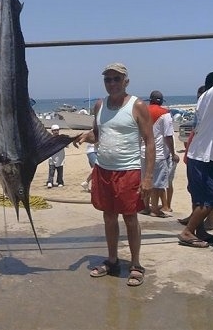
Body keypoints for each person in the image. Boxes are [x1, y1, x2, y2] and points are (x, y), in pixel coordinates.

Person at [74, 63, 155, 286]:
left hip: (129, 171)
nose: (111, 83)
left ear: (125, 81)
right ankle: (112, 260)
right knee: (108, 216)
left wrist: (147, 178)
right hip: (103, 169)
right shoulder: (99, 105)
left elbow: (150, 143)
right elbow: (98, 135)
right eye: (108, 79)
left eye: (116, 79)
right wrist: (84, 136)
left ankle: (136, 264)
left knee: (130, 218)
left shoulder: (137, 105)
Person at [178, 53, 213, 248]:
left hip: (208, 158)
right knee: (209, 201)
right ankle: (188, 232)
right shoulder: (210, 98)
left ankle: (199, 231)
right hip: (203, 159)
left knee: (200, 199)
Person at [141, 91, 179, 217]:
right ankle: (155, 210)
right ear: (161, 101)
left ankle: (146, 207)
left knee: (145, 180)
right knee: (157, 183)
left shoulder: (142, 111)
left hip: (143, 152)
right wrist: (173, 153)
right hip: (158, 153)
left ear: (150, 100)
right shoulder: (165, 114)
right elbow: (168, 136)